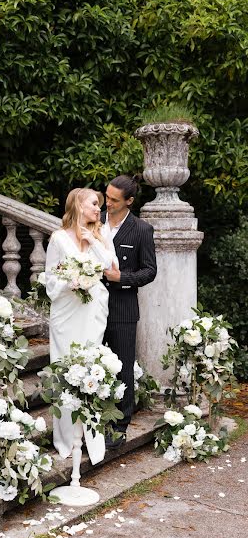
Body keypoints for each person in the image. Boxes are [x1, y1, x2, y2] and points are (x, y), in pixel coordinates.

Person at [45, 188, 118, 464]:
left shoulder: (101, 234)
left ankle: (91, 438)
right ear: (78, 204)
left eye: (99, 204)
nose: (98, 208)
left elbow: (111, 265)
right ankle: (66, 438)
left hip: (92, 312)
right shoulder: (59, 239)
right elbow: (51, 280)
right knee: (65, 369)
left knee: (91, 369)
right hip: (66, 312)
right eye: (94, 203)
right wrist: (71, 282)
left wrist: (93, 240)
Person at [101, 175, 157, 448]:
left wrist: (121, 278)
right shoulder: (93, 220)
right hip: (91, 306)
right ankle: (94, 418)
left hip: (123, 307)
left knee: (123, 367)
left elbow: (149, 271)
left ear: (129, 202)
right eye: (106, 196)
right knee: (93, 364)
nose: (107, 202)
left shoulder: (141, 230)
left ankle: (120, 425)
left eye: (113, 199)